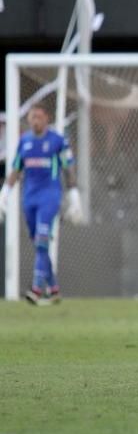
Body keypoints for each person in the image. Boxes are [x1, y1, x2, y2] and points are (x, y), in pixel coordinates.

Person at [0, 105, 84, 305]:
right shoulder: (24, 141)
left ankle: (37, 289)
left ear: (47, 118)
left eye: (39, 116)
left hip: (50, 196)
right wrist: (4, 194)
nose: (35, 120)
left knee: (42, 240)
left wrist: (74, 197)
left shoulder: (58, 141)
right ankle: (54, 289)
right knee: (40, 245)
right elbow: (16, 170)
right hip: (29, 198)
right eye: (32, 117)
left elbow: (69, 169)